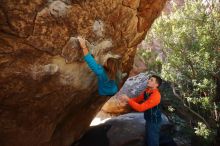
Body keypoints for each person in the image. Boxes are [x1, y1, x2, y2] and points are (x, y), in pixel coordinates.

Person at [120, 75, 162, 146]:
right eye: (149, 79)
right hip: (148, 119)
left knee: (152, 142)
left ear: (156, 84)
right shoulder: (147, 91)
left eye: (151, 80)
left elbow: (141, 108)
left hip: (154, 122)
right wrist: (126, 101)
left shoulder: (156, 96)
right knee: (149, 138)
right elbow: (137, 99)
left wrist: (128, 100)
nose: (148, 80)